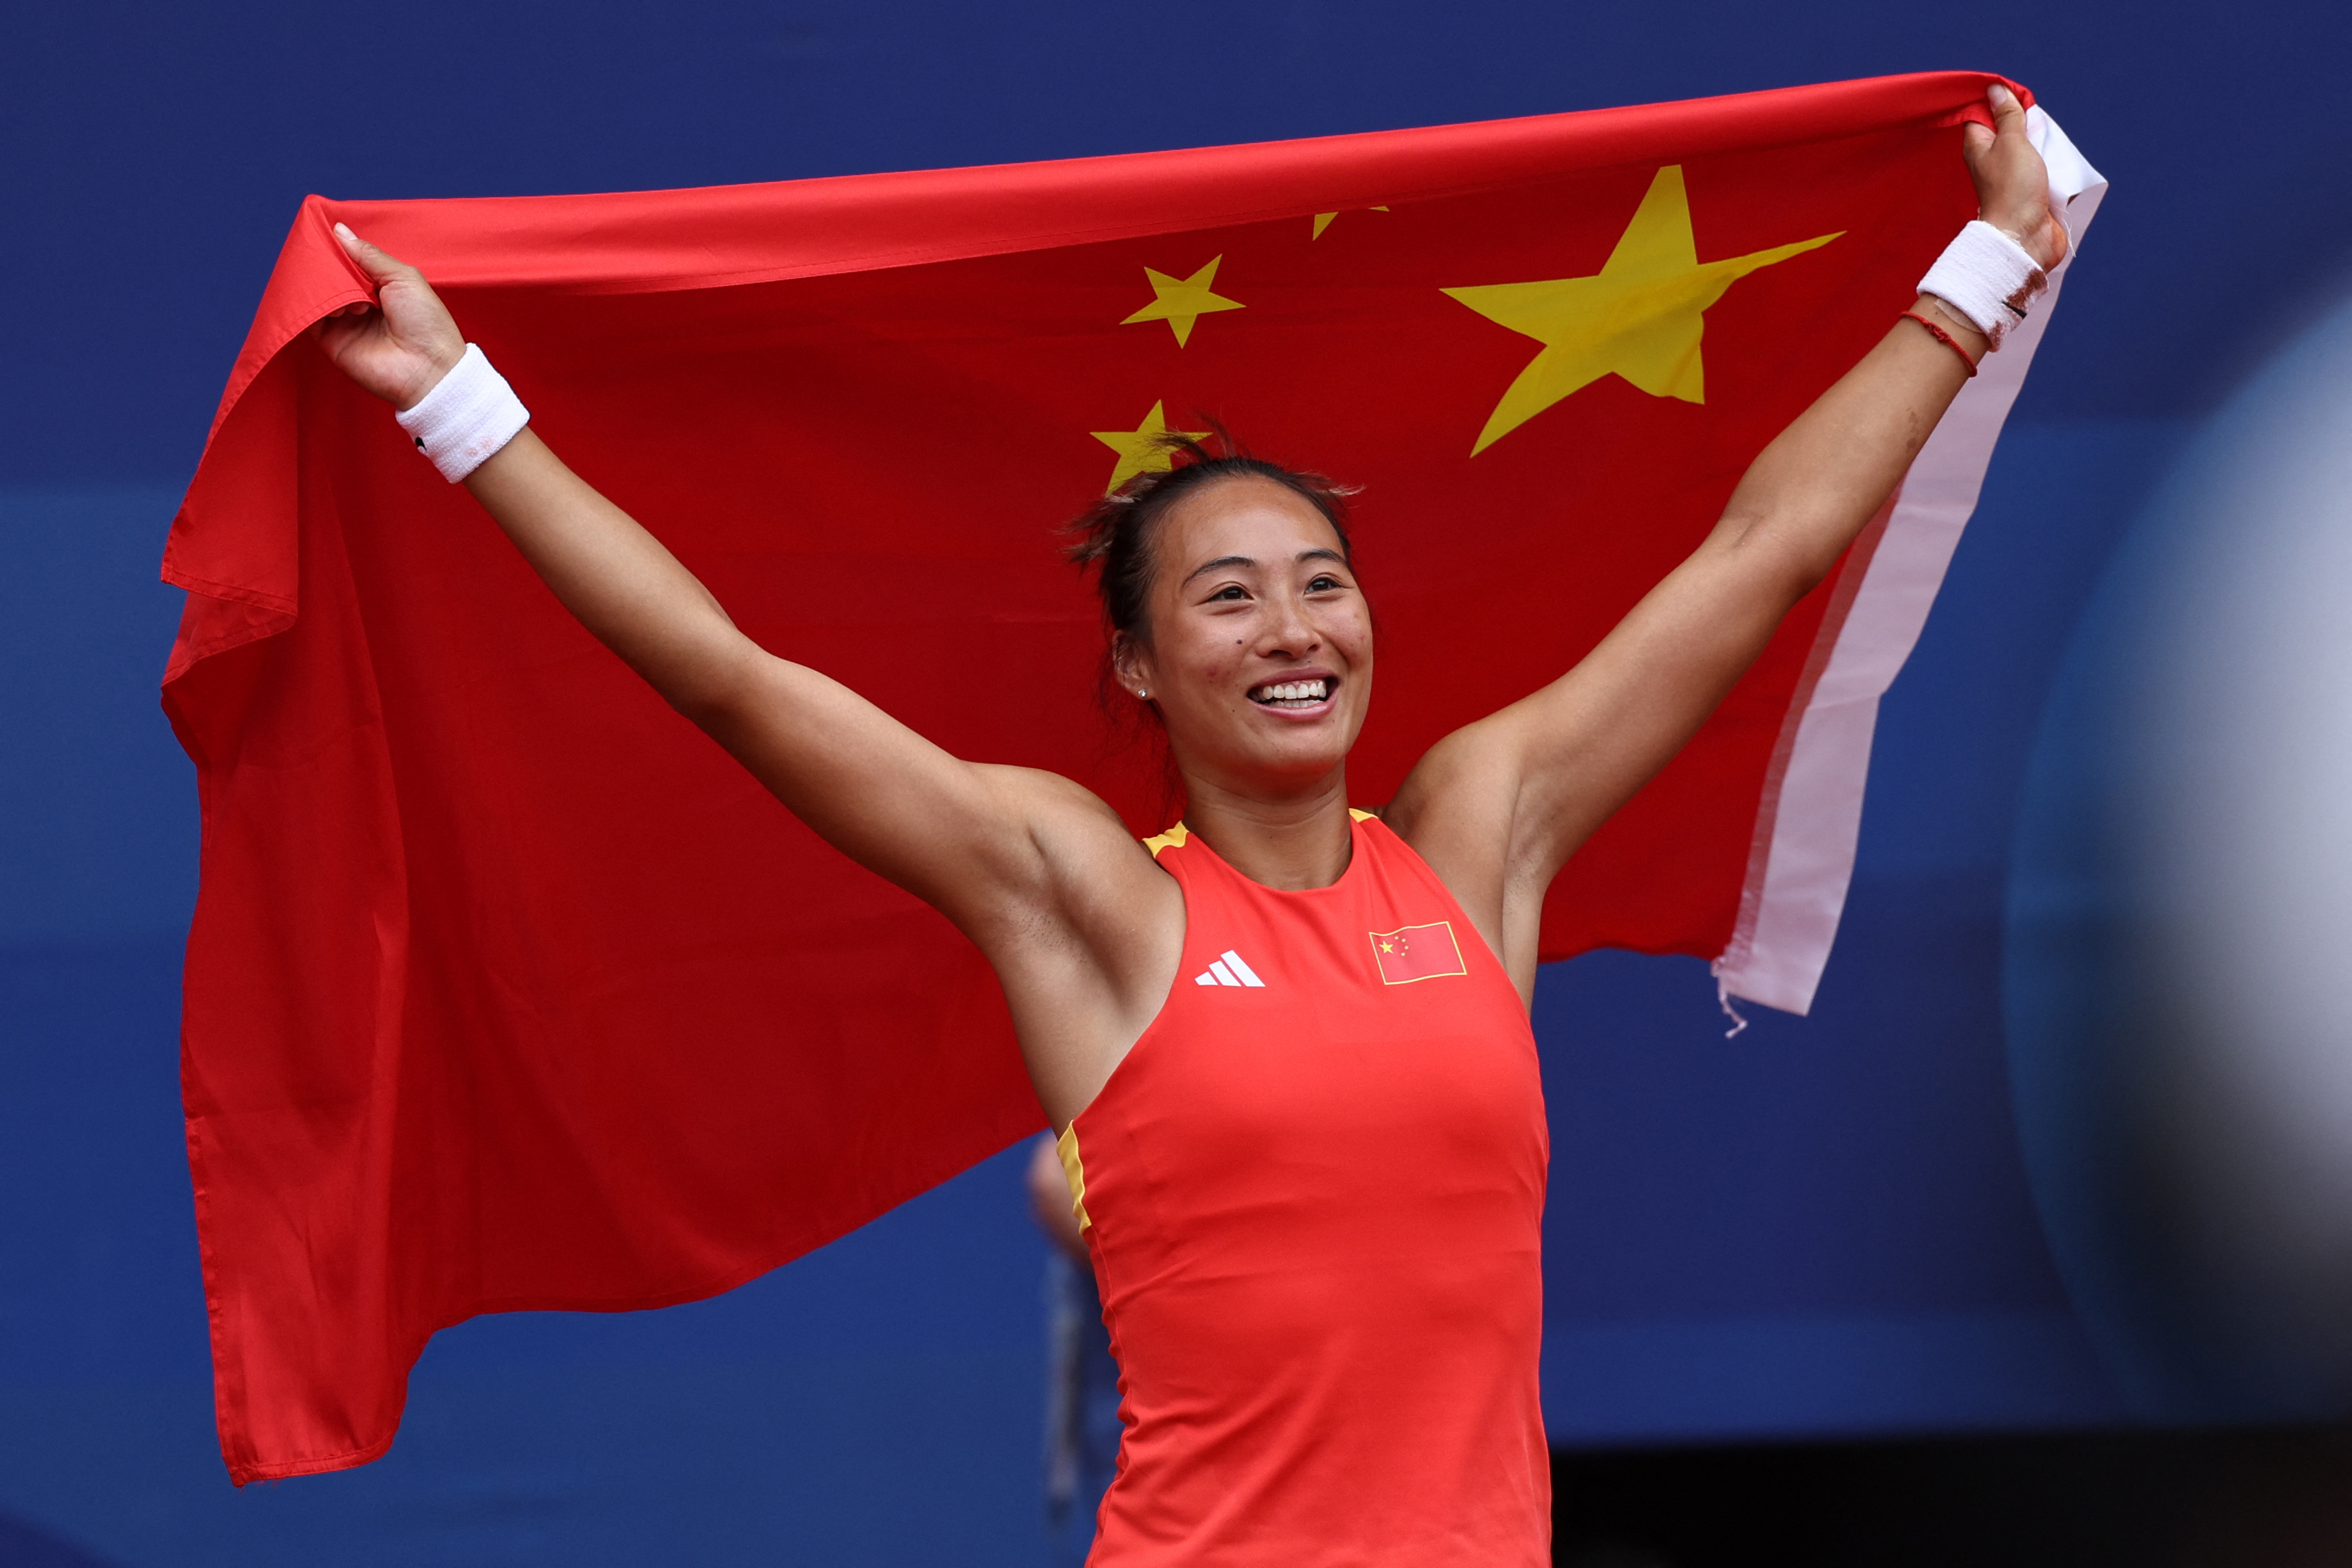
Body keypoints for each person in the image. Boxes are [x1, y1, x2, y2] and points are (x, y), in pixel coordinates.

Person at [315, 84, 2062, 1567]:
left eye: (1320, 584)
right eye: (1227, 599)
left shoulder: (1476, 835)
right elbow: (733, 682)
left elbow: (1754, 559)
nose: (1293, 629)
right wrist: (460, 404)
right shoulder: (1082, 897)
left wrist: (1978, 272)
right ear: (1141, 668)